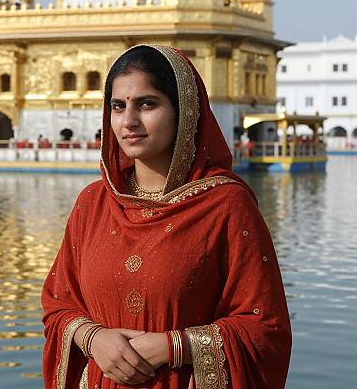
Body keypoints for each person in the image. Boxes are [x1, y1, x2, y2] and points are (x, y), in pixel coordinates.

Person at [42, 44, 291, 389]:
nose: (129, 121)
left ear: (184, 111)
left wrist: (175, 347)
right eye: (118, 106)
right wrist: (92, 338)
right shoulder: (94, 203)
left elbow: (264, 327)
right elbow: (58, 303)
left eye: (147, 104)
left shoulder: (225, 206)